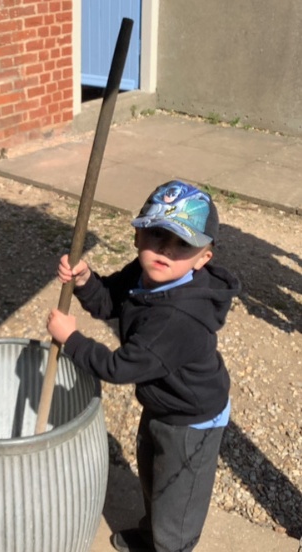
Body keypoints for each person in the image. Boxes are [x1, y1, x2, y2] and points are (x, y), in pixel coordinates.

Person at [47, 180, 240, 552]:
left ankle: (170, 546)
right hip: (162, 400)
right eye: (157, 234)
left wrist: (72, 340)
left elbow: (121, 368)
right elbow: (108, 303)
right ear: (137, 236)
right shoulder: (143, 272)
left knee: (178, 499)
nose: (166, 248)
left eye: (182, 243)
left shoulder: (179, 316)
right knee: (154, 477)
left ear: (203, 258)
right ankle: (153, 537)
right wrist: (85, 281)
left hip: (192, 418)